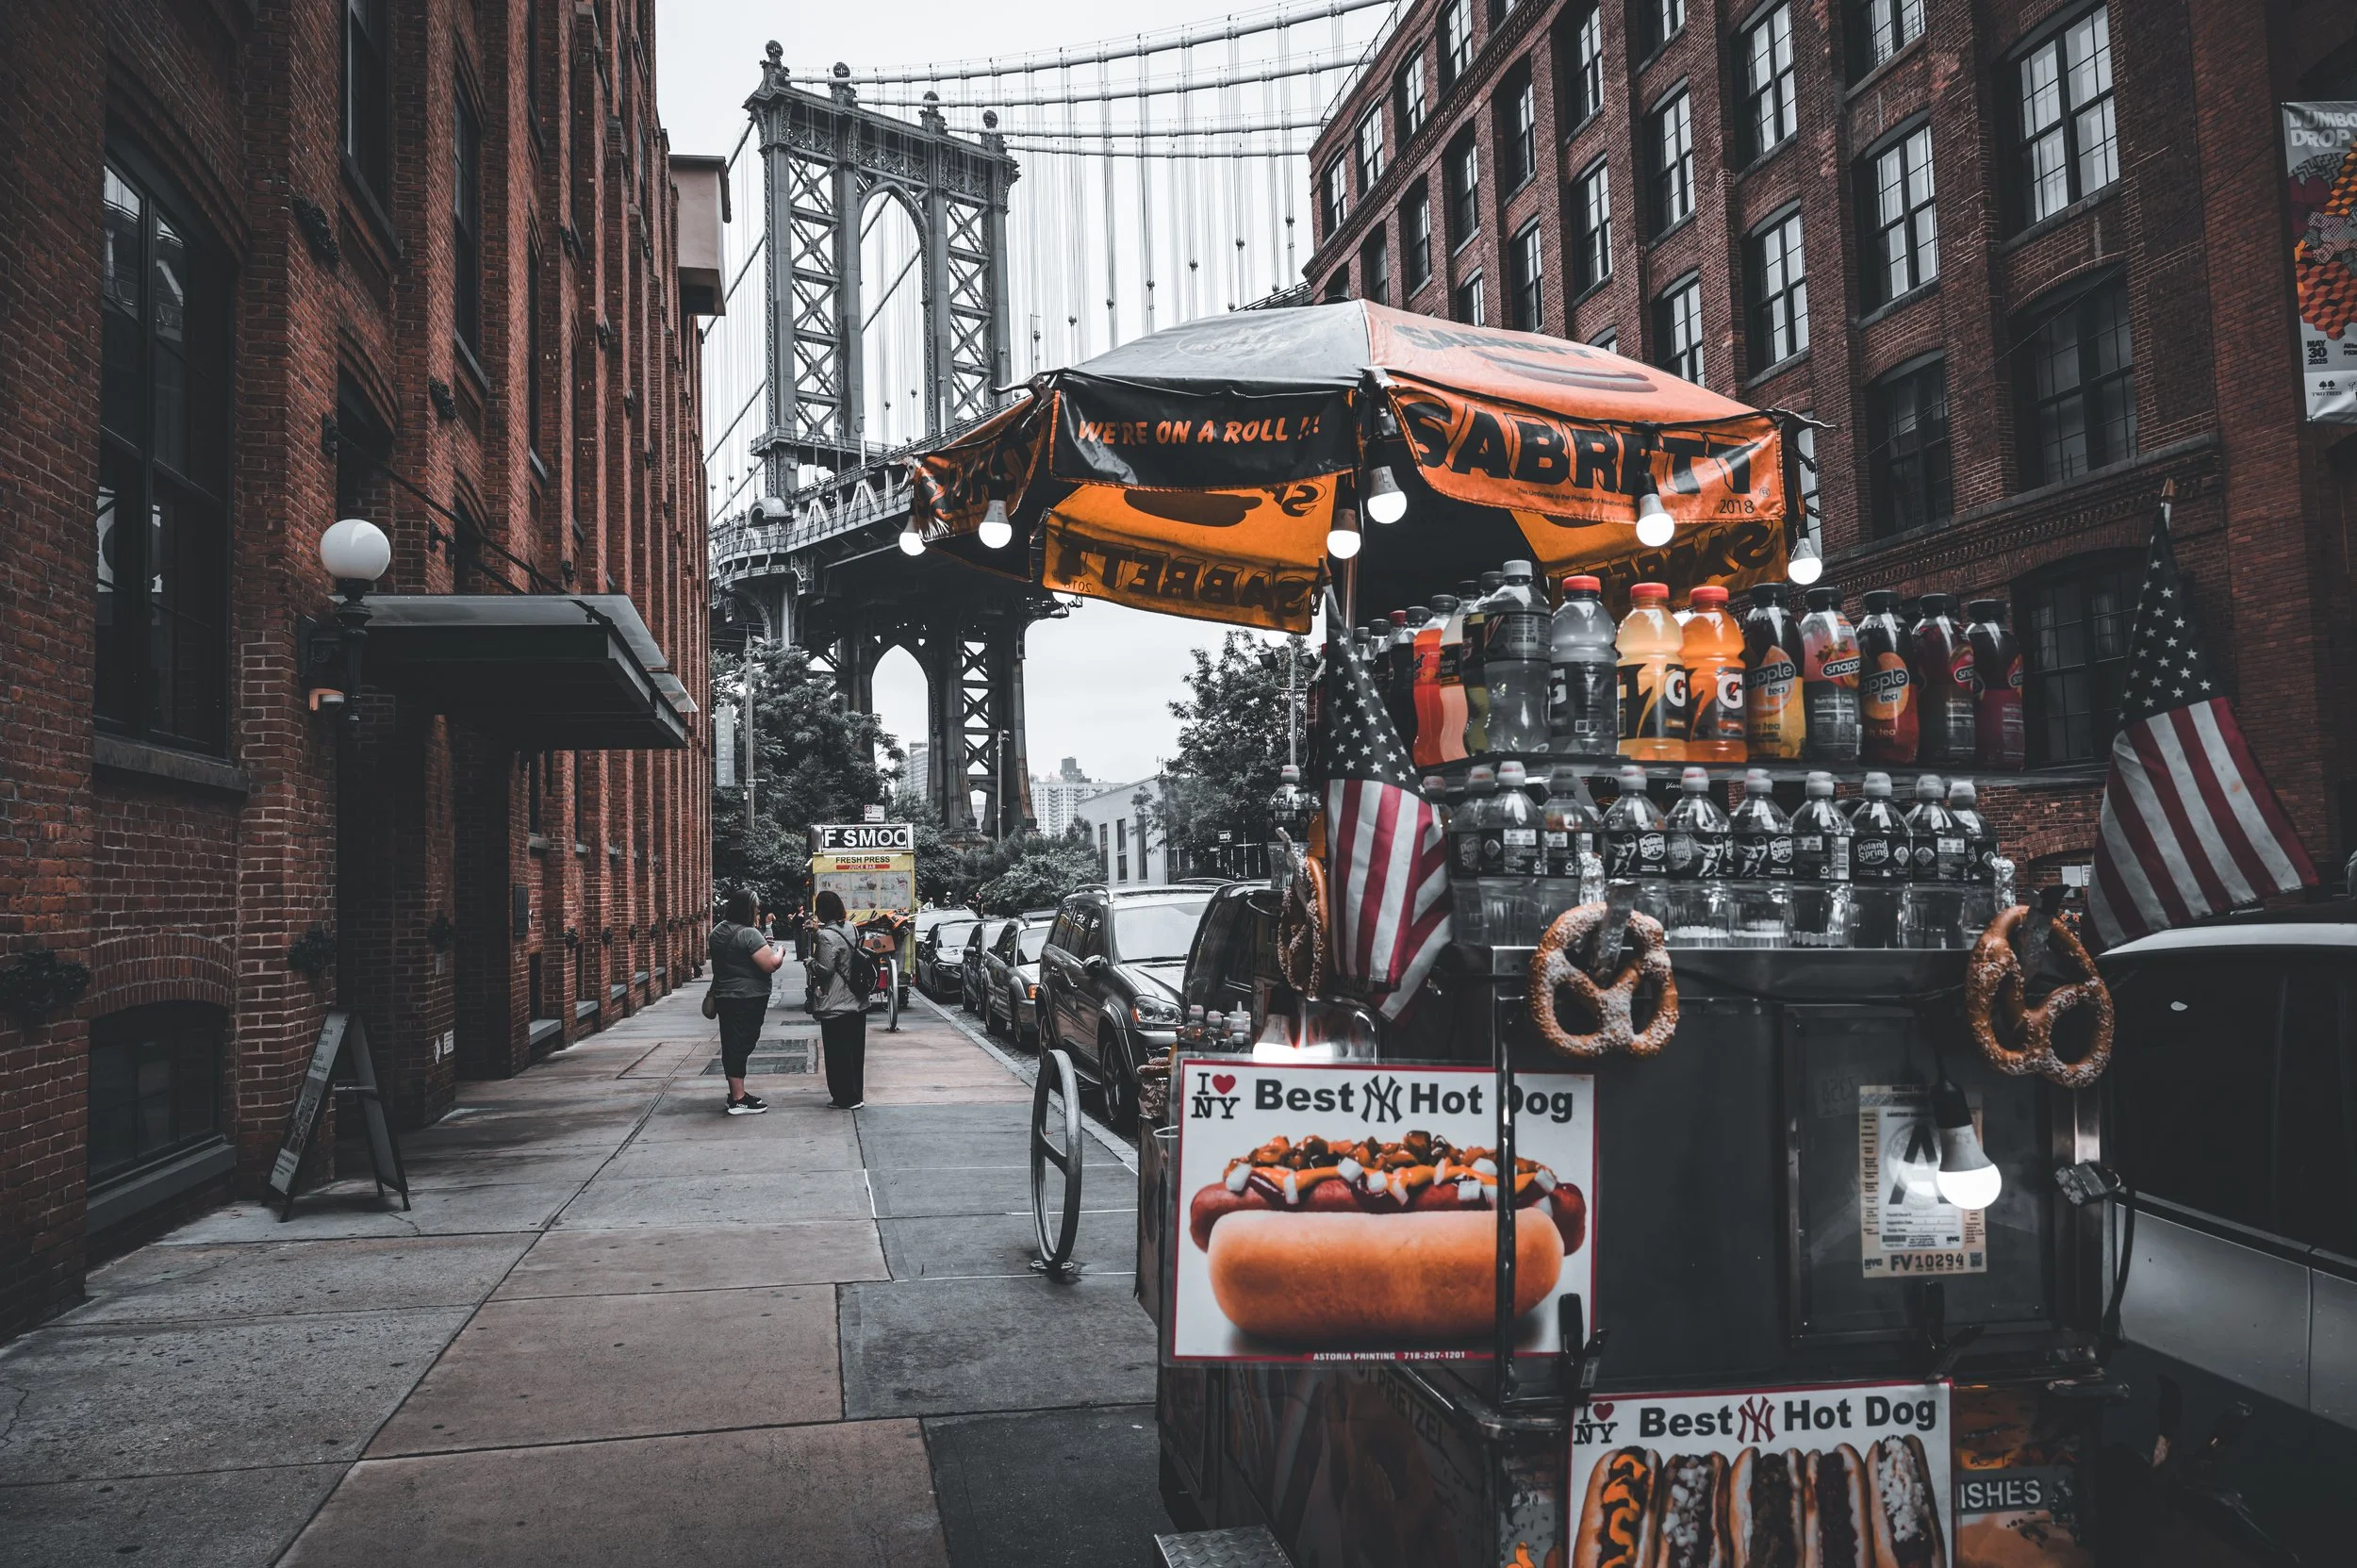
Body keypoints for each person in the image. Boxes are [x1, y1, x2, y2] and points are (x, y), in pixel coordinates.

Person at [708, 888, 783, 1114]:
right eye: (756, 906)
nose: (758, 910)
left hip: (724, 995)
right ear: (748, 909)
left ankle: (736, 1093)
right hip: (747, 997)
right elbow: (769, 964)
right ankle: (739, 1100)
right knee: (742, 1043)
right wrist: (779, 953)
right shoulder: (749, 934)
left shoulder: (717, 931)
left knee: (731, 1042)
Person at [807, 889, 867, 1110]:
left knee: (837, 1054)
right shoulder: (850, 928)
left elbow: (824, 969)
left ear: (822, 911)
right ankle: (856, 1095)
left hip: (837, 1004)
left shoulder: (826, 936)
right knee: (854, 1054)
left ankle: (843, 1098)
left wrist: (809, 963)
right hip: (857, 1002)